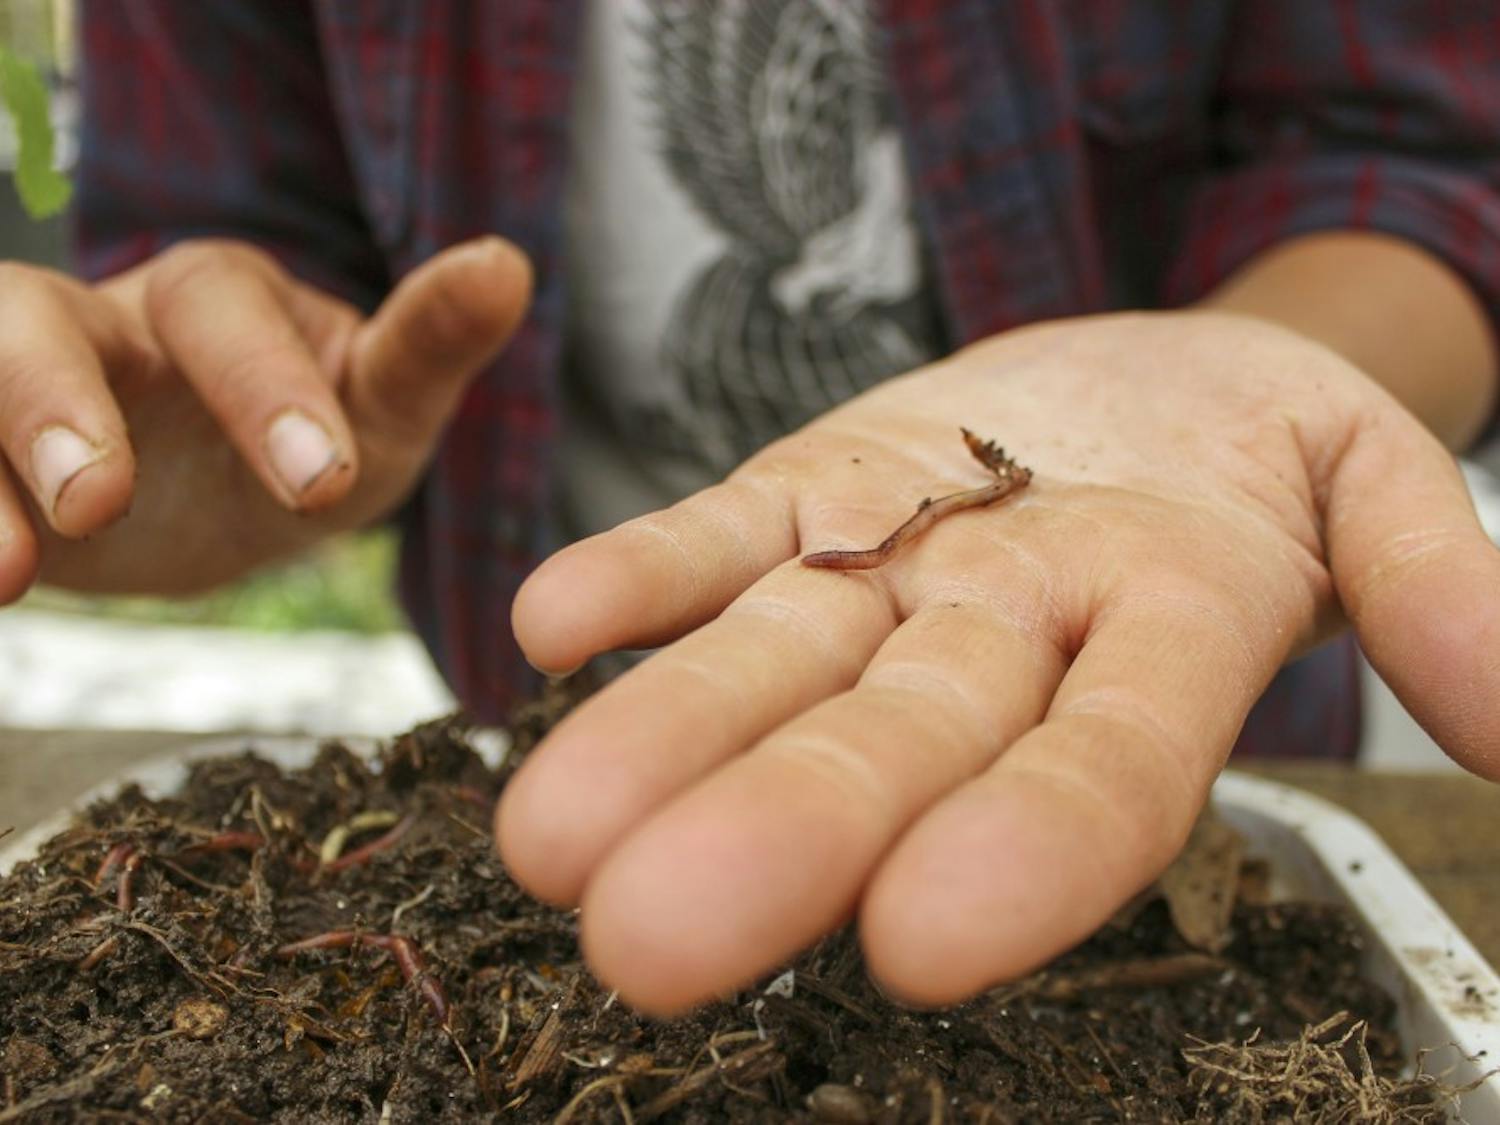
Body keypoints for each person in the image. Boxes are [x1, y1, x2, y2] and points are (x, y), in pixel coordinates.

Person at [3, 1, 1498, 1015]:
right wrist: (250, 418)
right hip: (549, 719)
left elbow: (1420, 151)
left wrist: (1259, 388)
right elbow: (233, 225)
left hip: (1179, 724)